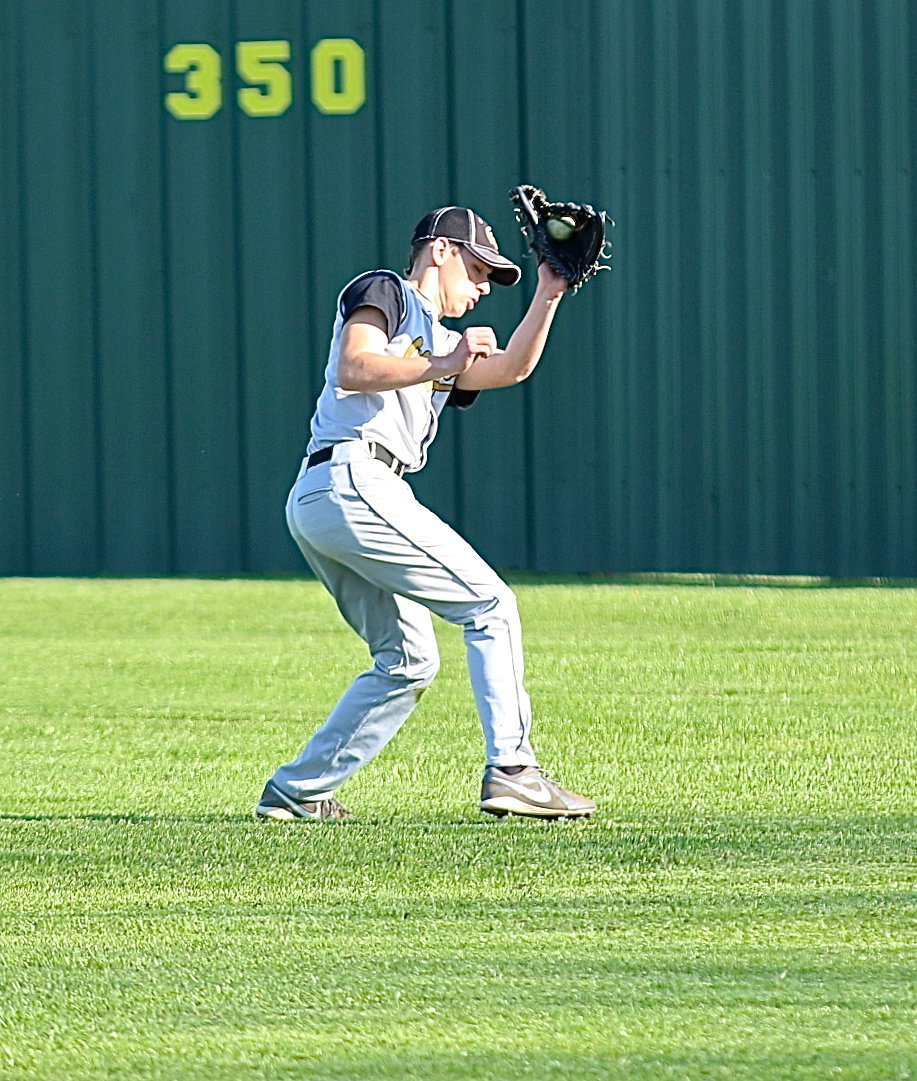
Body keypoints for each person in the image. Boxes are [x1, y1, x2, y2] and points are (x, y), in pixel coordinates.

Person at [255, 205, 595, 822]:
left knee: (408, 660)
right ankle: (514, 771)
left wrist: (548, 294)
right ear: (441, 251)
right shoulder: (386, 289)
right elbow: (354, 367)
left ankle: (297, 791)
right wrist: (445, 363)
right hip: (353, 478)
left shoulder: (445, 342)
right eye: (478, 267)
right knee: (492, 605)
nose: (486, 284)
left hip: (334, 493)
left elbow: (511, 368)